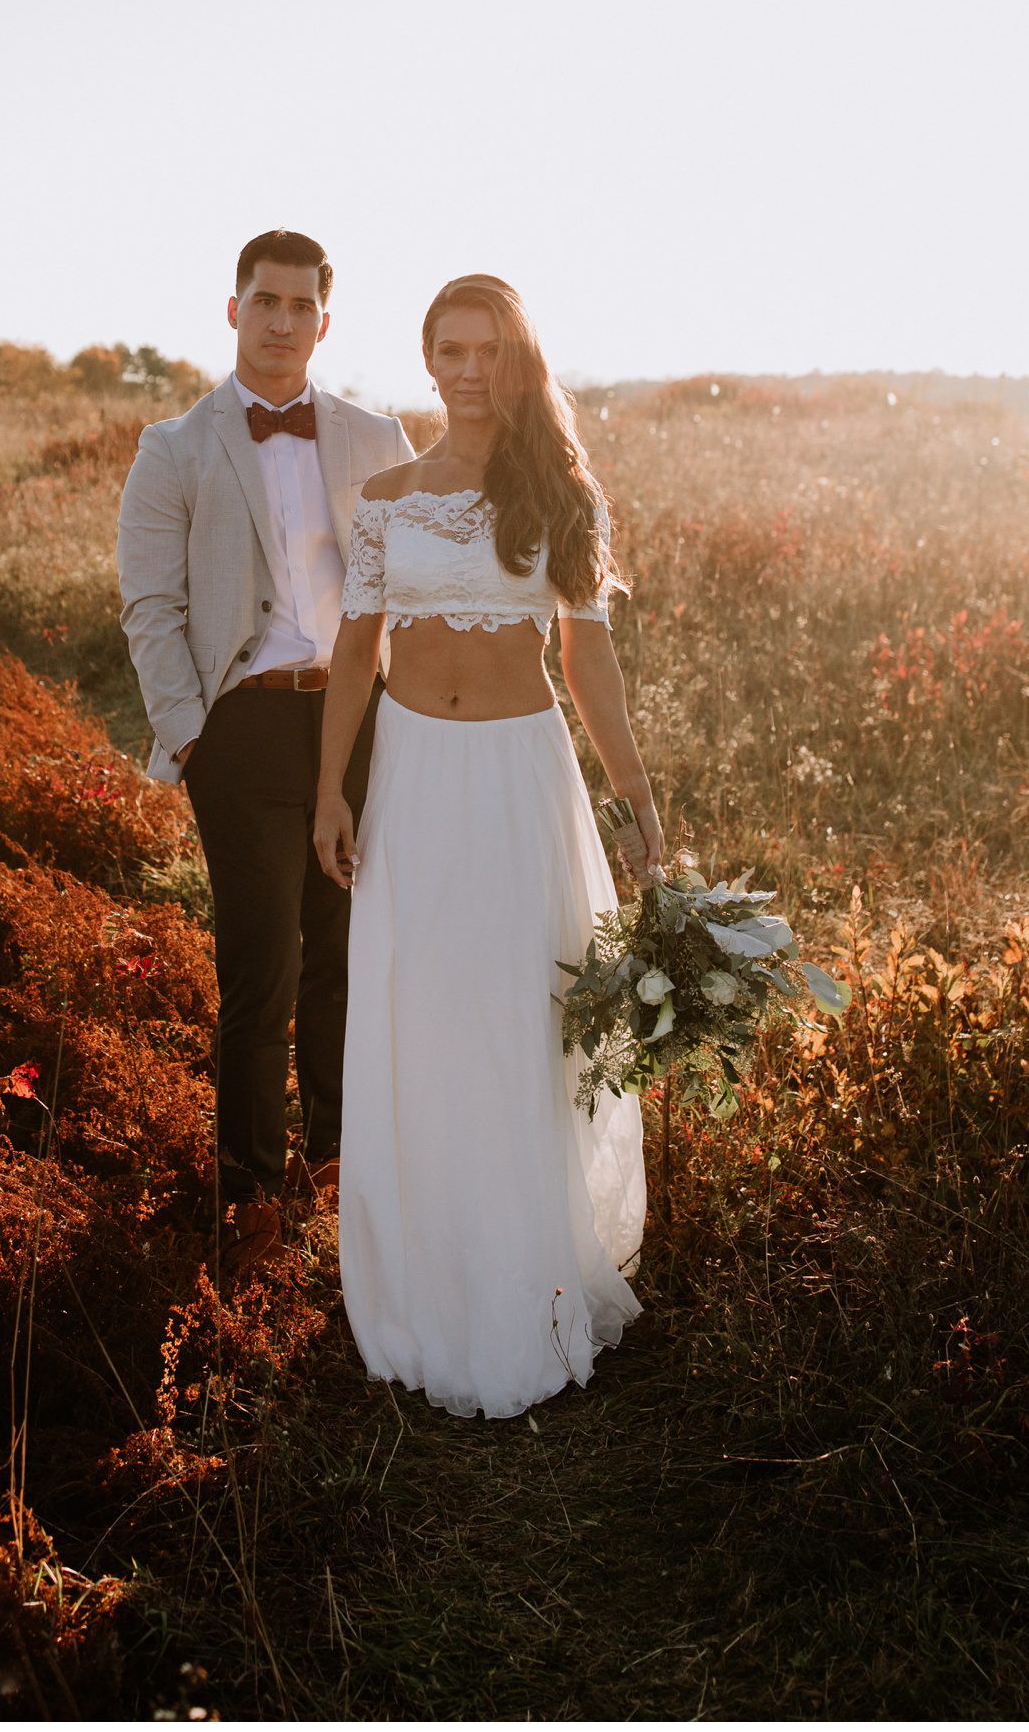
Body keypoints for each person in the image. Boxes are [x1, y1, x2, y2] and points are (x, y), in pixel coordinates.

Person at [313, 273, 664, 1420]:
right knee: (422, 1012)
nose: (469, 368)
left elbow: (589, 663)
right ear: (424, 358)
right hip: (413, 779)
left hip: (519, 777)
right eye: (449, 348)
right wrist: (332, 789)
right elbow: (356, 653)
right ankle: (429, 1276)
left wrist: (634, 793)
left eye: (488, 349)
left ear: (516, 360)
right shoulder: (386, 495)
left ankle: (530, 1279)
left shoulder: (559, 491)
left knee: (520, 1015)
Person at [116, 230, 413, 1280]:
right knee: (261, 971)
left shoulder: (380, 438)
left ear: (324, 321)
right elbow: (150, 605)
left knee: (345, 956)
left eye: (302, 304)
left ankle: (336, 1172)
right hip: (238, 727)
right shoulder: (176, 446)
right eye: (265, 300)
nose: (283, 320)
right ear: (232, 308)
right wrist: (192, 732)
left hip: (358, 717)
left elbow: (407, 593)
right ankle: (246, 1196)